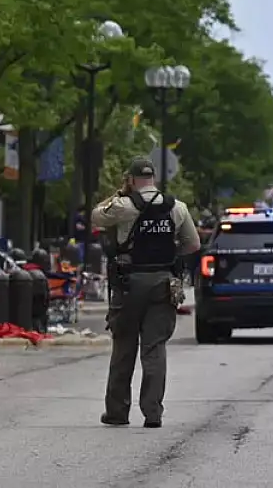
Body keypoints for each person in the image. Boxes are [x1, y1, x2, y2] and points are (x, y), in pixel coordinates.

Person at [92, 157, 200, 429]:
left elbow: (95, 215)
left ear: (131, 179)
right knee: (154, 349)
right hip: (163, 282)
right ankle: (153, 413)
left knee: (124, 347)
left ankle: (117, 412)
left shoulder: (123, 206)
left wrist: (119, 193)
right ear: (154, 178)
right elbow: (193, 244)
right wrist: (168, 254)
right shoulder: (177, 207)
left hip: (129, 284)